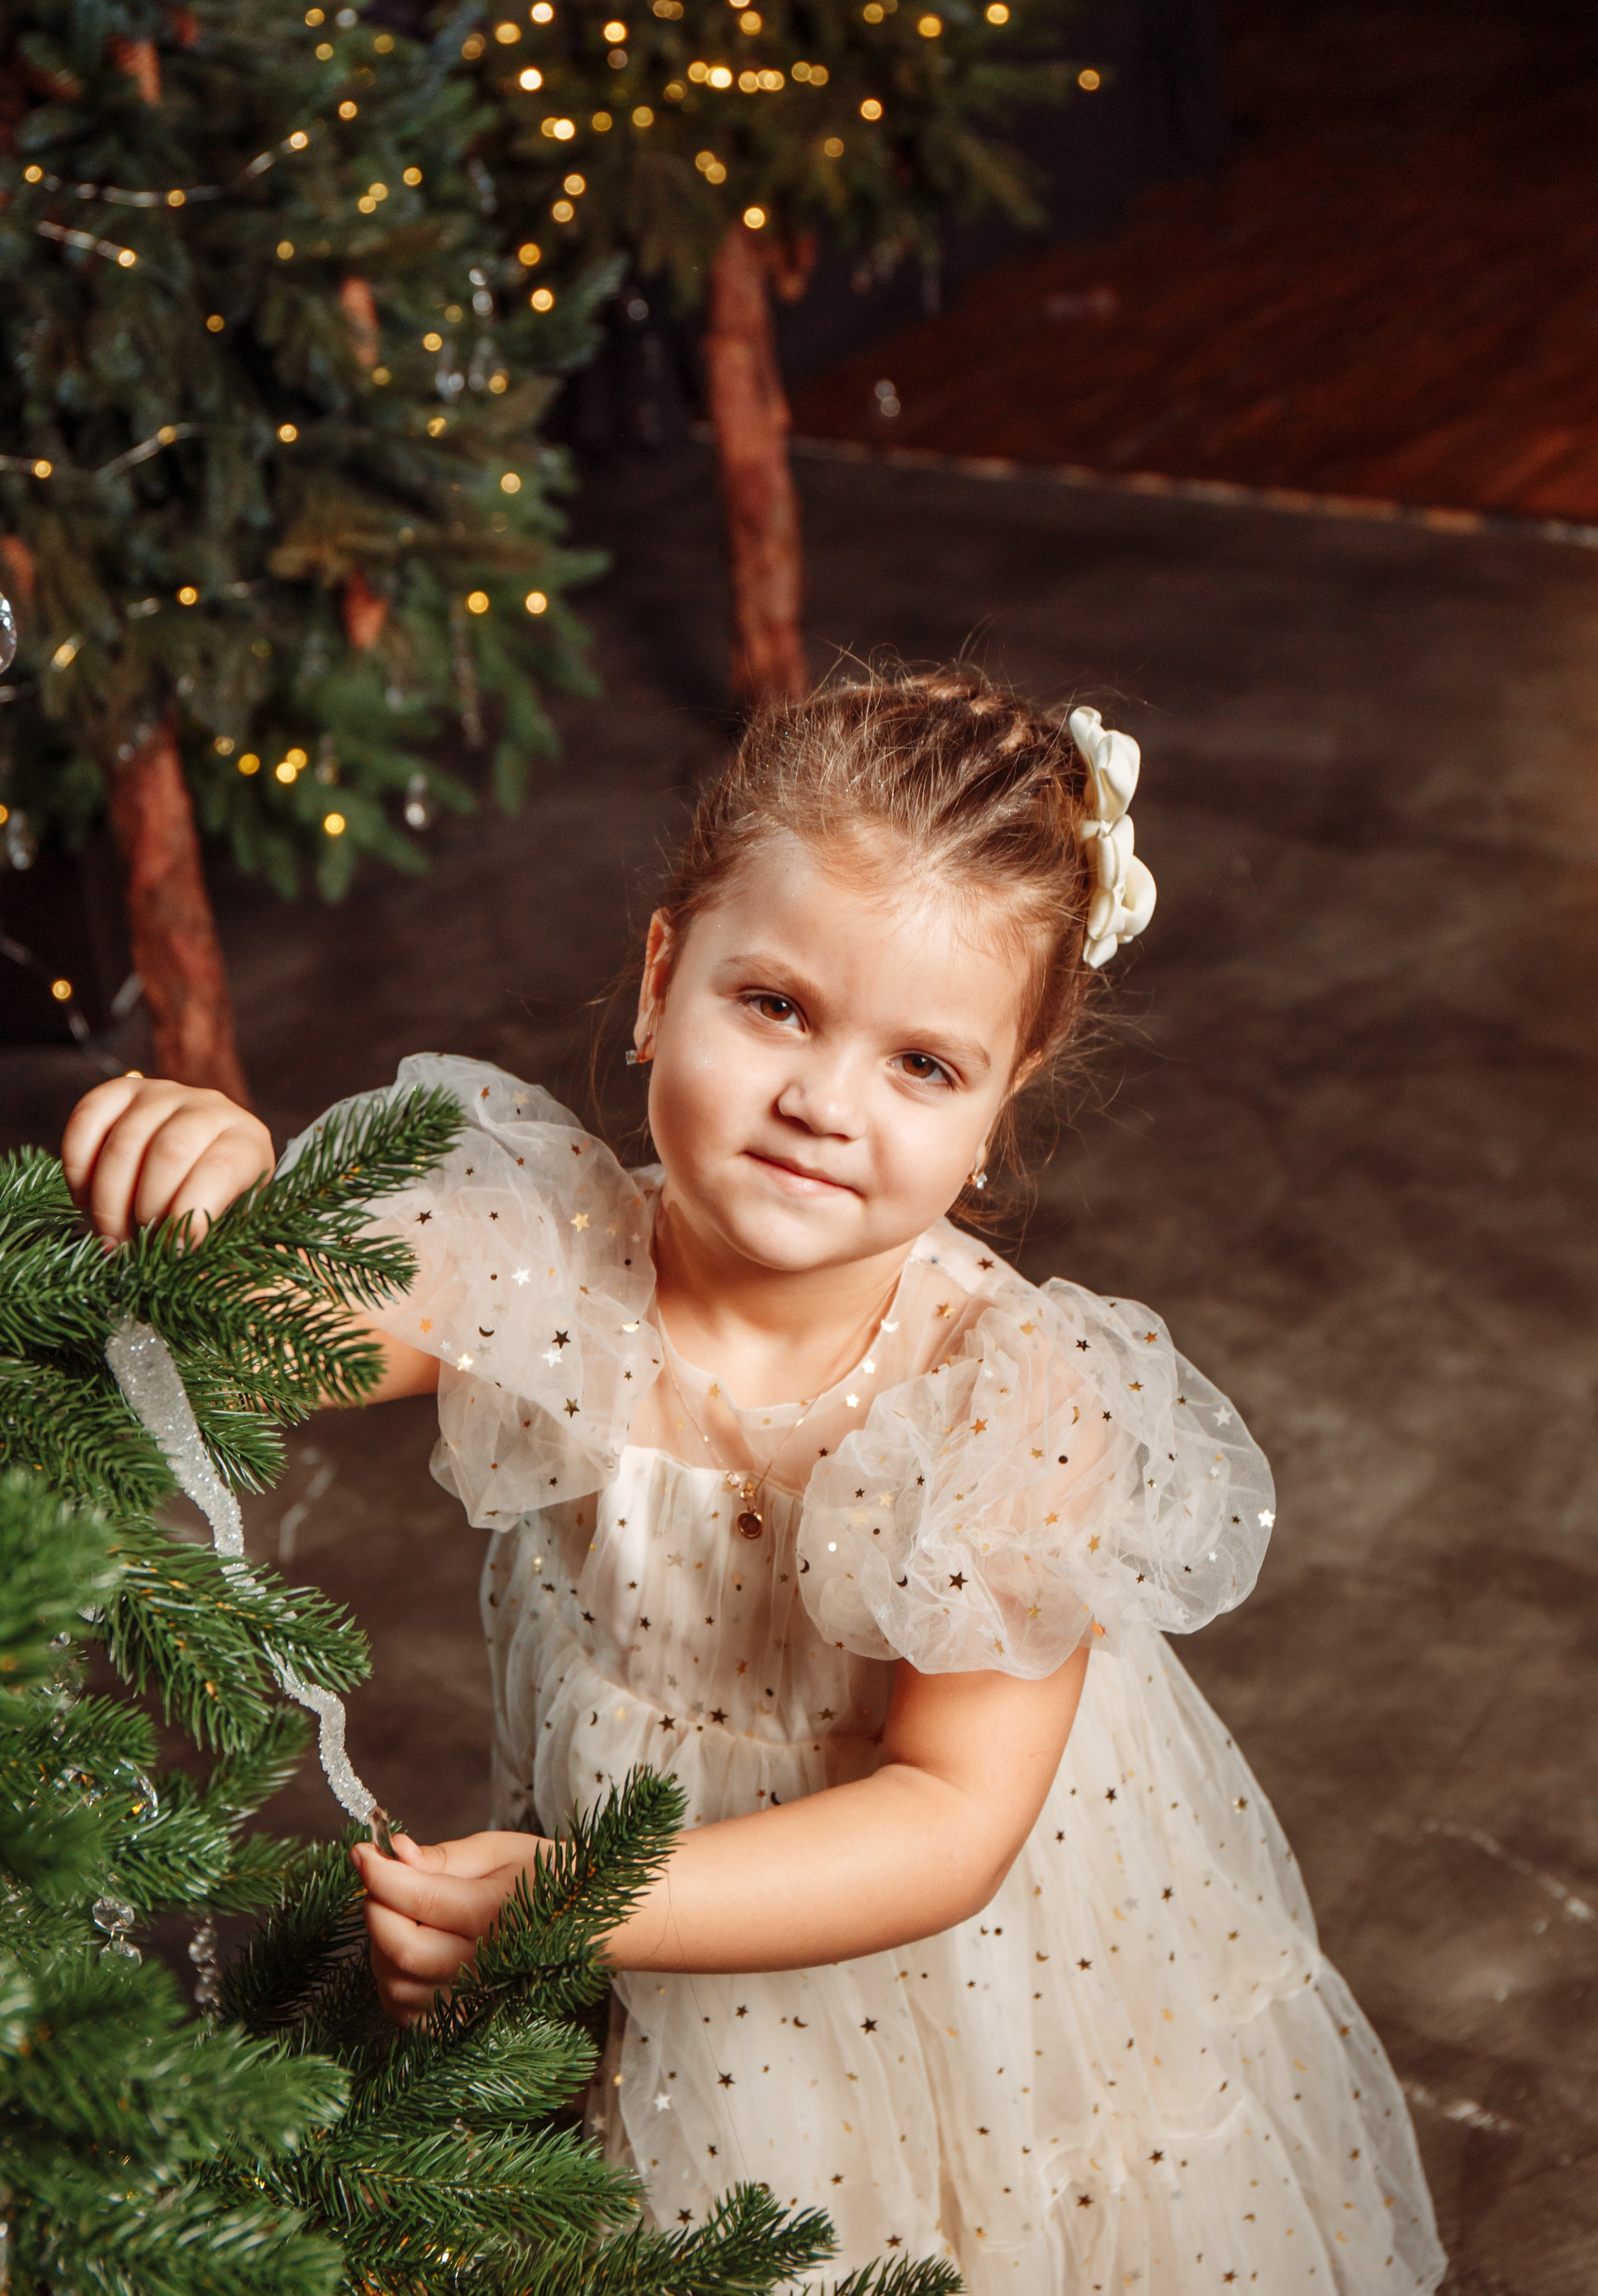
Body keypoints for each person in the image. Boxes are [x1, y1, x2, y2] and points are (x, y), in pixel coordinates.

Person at [62, 669, 1444, 2294]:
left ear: (1003, 1104)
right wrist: (208, 1169)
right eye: (775, 1004)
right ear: (662, 976)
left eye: (924, 1065)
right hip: (617, 1912)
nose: (823, 1101)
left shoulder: (1011, 1403)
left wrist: (577, 1900)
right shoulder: (554, 1250)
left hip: (942, 1983)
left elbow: (949, 1825)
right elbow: (269, 1319)